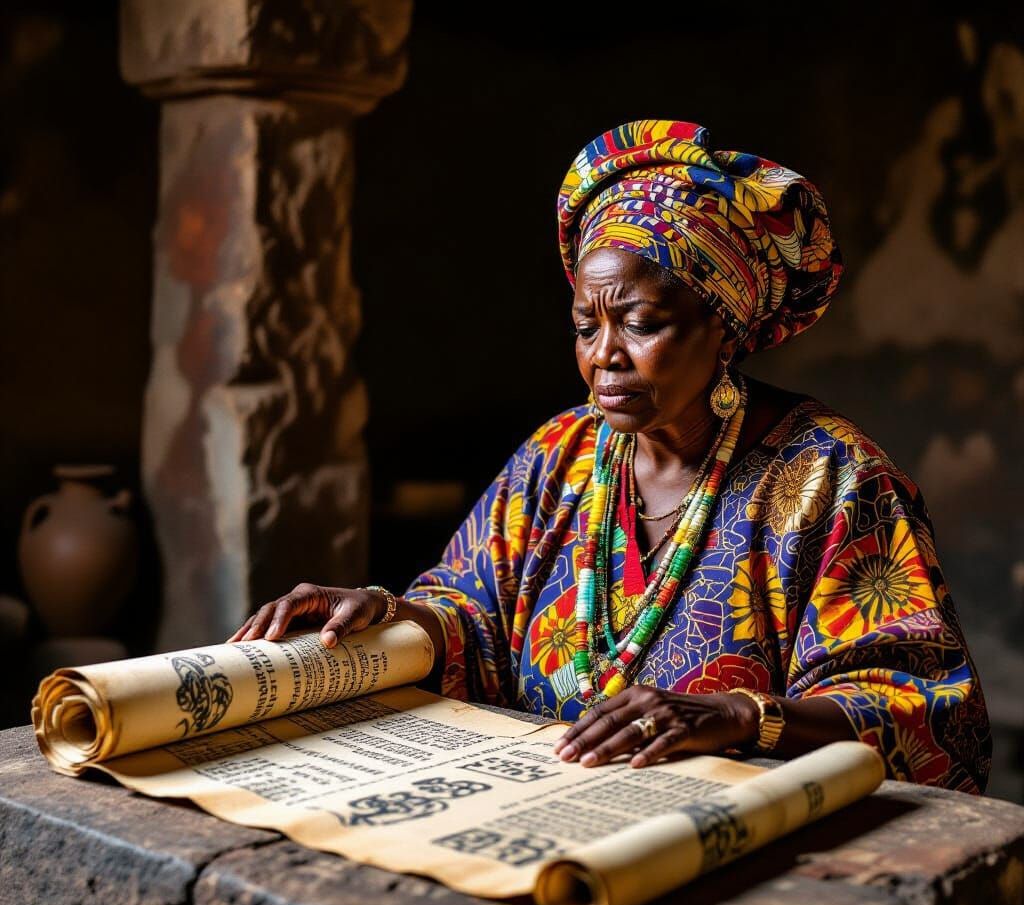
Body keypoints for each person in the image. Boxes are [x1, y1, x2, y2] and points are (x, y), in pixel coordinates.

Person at [230, 119, 991, 794]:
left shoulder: (831, 479)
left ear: (723, 326)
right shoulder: (561, 456)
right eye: (585, 328)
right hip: (547, 808)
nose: (605, 358)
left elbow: (923, 710)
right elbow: (474, 618)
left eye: (640, 322)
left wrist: (738, 715)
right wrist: (390, 614)